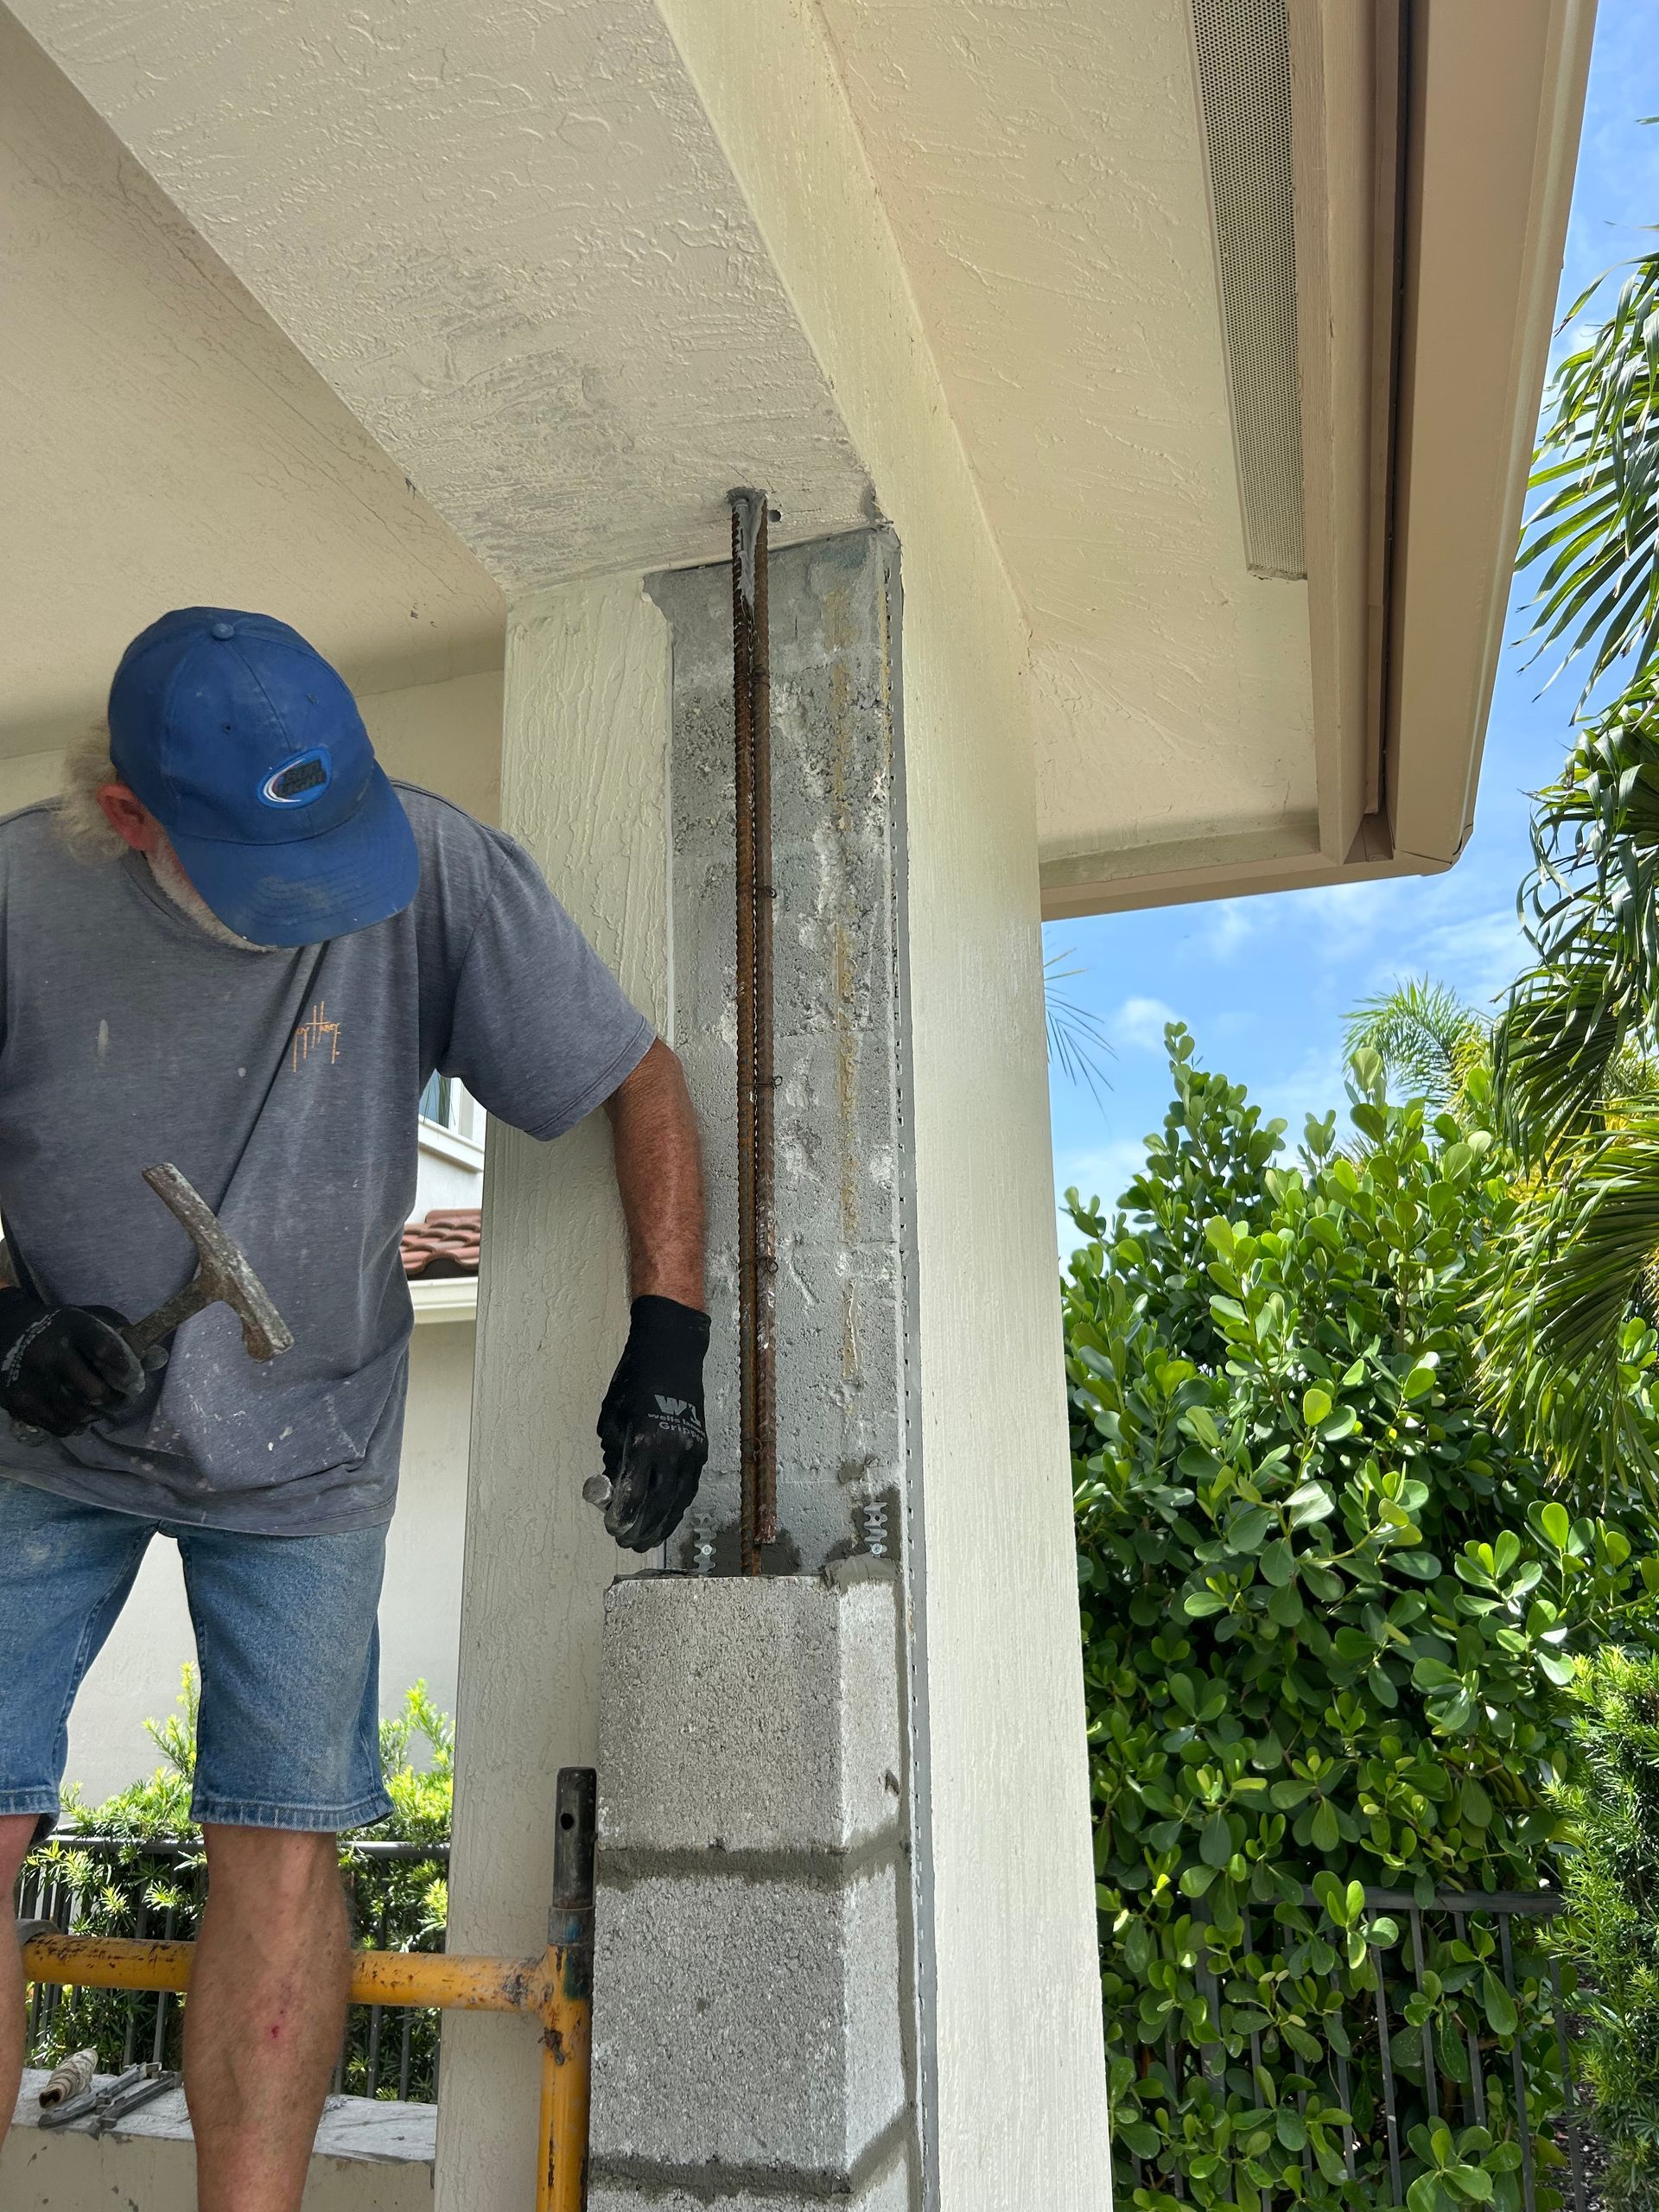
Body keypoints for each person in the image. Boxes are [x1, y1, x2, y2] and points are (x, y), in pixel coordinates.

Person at [0, 608, 708, 2210]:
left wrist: (668, 1334)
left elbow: (638, 1081)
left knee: (283, 1837)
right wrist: (8, 1322)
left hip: (306, 1445)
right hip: (35, 1445)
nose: (322, 909)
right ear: (126, 821)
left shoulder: (435, 865)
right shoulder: (16, 900)